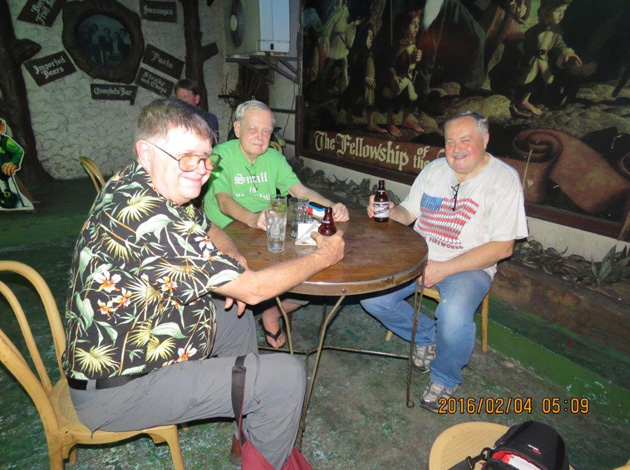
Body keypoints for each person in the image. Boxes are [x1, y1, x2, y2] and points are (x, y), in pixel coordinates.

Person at [62, 98, 345, 469]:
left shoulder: (136, 180)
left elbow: (208, 226)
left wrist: (234, 259)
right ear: (145, 152)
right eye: (187, 158)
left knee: (237, 315)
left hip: (138, 339)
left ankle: (247, 431)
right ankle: (263, 421)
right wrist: (325, 256)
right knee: (286, 375)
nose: (201, 170)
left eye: (206, 158)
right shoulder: (151, 222)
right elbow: (255, 289)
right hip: (120, 390)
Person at [360, 111, 527, 412]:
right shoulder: (434, 170)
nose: (457, 149)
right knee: (372, 300)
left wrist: (444, 269)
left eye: (466, 140)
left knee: (453, 316)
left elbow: (503, 247)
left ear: (485, 140)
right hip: (418, 256)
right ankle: (426, 337)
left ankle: (445, 378)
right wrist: (386, 211)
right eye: (450, 142)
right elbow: (407, 214)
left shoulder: (503, 180)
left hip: (469, 266)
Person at [203, 100, 350, 349]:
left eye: (266, 131)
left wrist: (330, 208)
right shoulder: (221, 155)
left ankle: (272, 311)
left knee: (319, 267)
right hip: (229, 237)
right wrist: (253, 218)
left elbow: (299, 190)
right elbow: (224, 203)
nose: (260, 137)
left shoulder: (273, 158)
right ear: (237, 129)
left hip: (269, 234)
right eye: (253, 129)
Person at [512, 0, 582, 115]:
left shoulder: (556, 30)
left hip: (544, 61)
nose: (561, 15)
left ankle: (526, 100)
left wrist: (567, 53)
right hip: (529, 62)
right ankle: (515, 102)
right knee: (525, 78)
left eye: (563, 11)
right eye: (558, 11)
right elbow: (526, 46)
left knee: (545, 77)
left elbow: (560, 44)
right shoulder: (534, 30)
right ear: (546, 11)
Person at [174, 78, 219, 144]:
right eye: (179, 98)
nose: (181, 102)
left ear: (196, 99)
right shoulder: (173, 120)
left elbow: (210, 143)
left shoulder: (209, 119)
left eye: (185, 97)